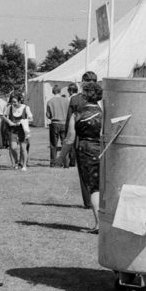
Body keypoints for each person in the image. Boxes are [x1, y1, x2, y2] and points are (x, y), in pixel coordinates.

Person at [58, 81, 103, 232]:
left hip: (86, 150)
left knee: (94, 188)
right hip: (104, 149)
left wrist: (61, 157)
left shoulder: (77, 115)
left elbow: (70, 139)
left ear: (84, 96)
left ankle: (99, 224)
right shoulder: (105, 114)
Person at [66, 72, 97, 206]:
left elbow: (70, 122)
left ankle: (89, 201)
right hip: (99, 138)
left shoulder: (75, 100)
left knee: (84, 171)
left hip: (82, 139)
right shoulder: (101, 97)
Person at [2, 92, 34, 170]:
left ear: (20, 101)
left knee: (23, 148)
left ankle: (24, 166)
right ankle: (16, 162)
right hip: (13, 130)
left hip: (22, 130)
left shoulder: (26, 108)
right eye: (12, 102)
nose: (13, 103)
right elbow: (4, 116)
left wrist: (23, 121)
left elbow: (31, 119)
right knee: (13, 147)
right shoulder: (10, 107)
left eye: (15, 102)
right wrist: (9, 121)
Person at [46, 85, 69, 166]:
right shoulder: (66, 101)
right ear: (60, 91)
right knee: (64, 143)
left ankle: (53, 162)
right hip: (65, 124)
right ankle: (66, 162)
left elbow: (48, 115)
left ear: (53, 92)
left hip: (55, 123)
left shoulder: (50, 101)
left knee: (53, 144)